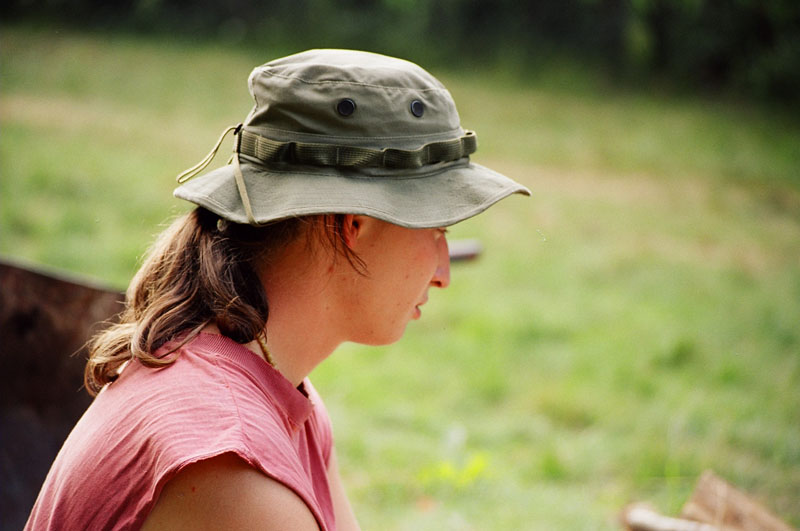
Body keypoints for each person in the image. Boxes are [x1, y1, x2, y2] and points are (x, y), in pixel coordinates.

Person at [25, 49, 530, 530]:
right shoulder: (231, 467)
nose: (443, 271)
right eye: (437, 229)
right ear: (354, 224)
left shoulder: (276, 388)